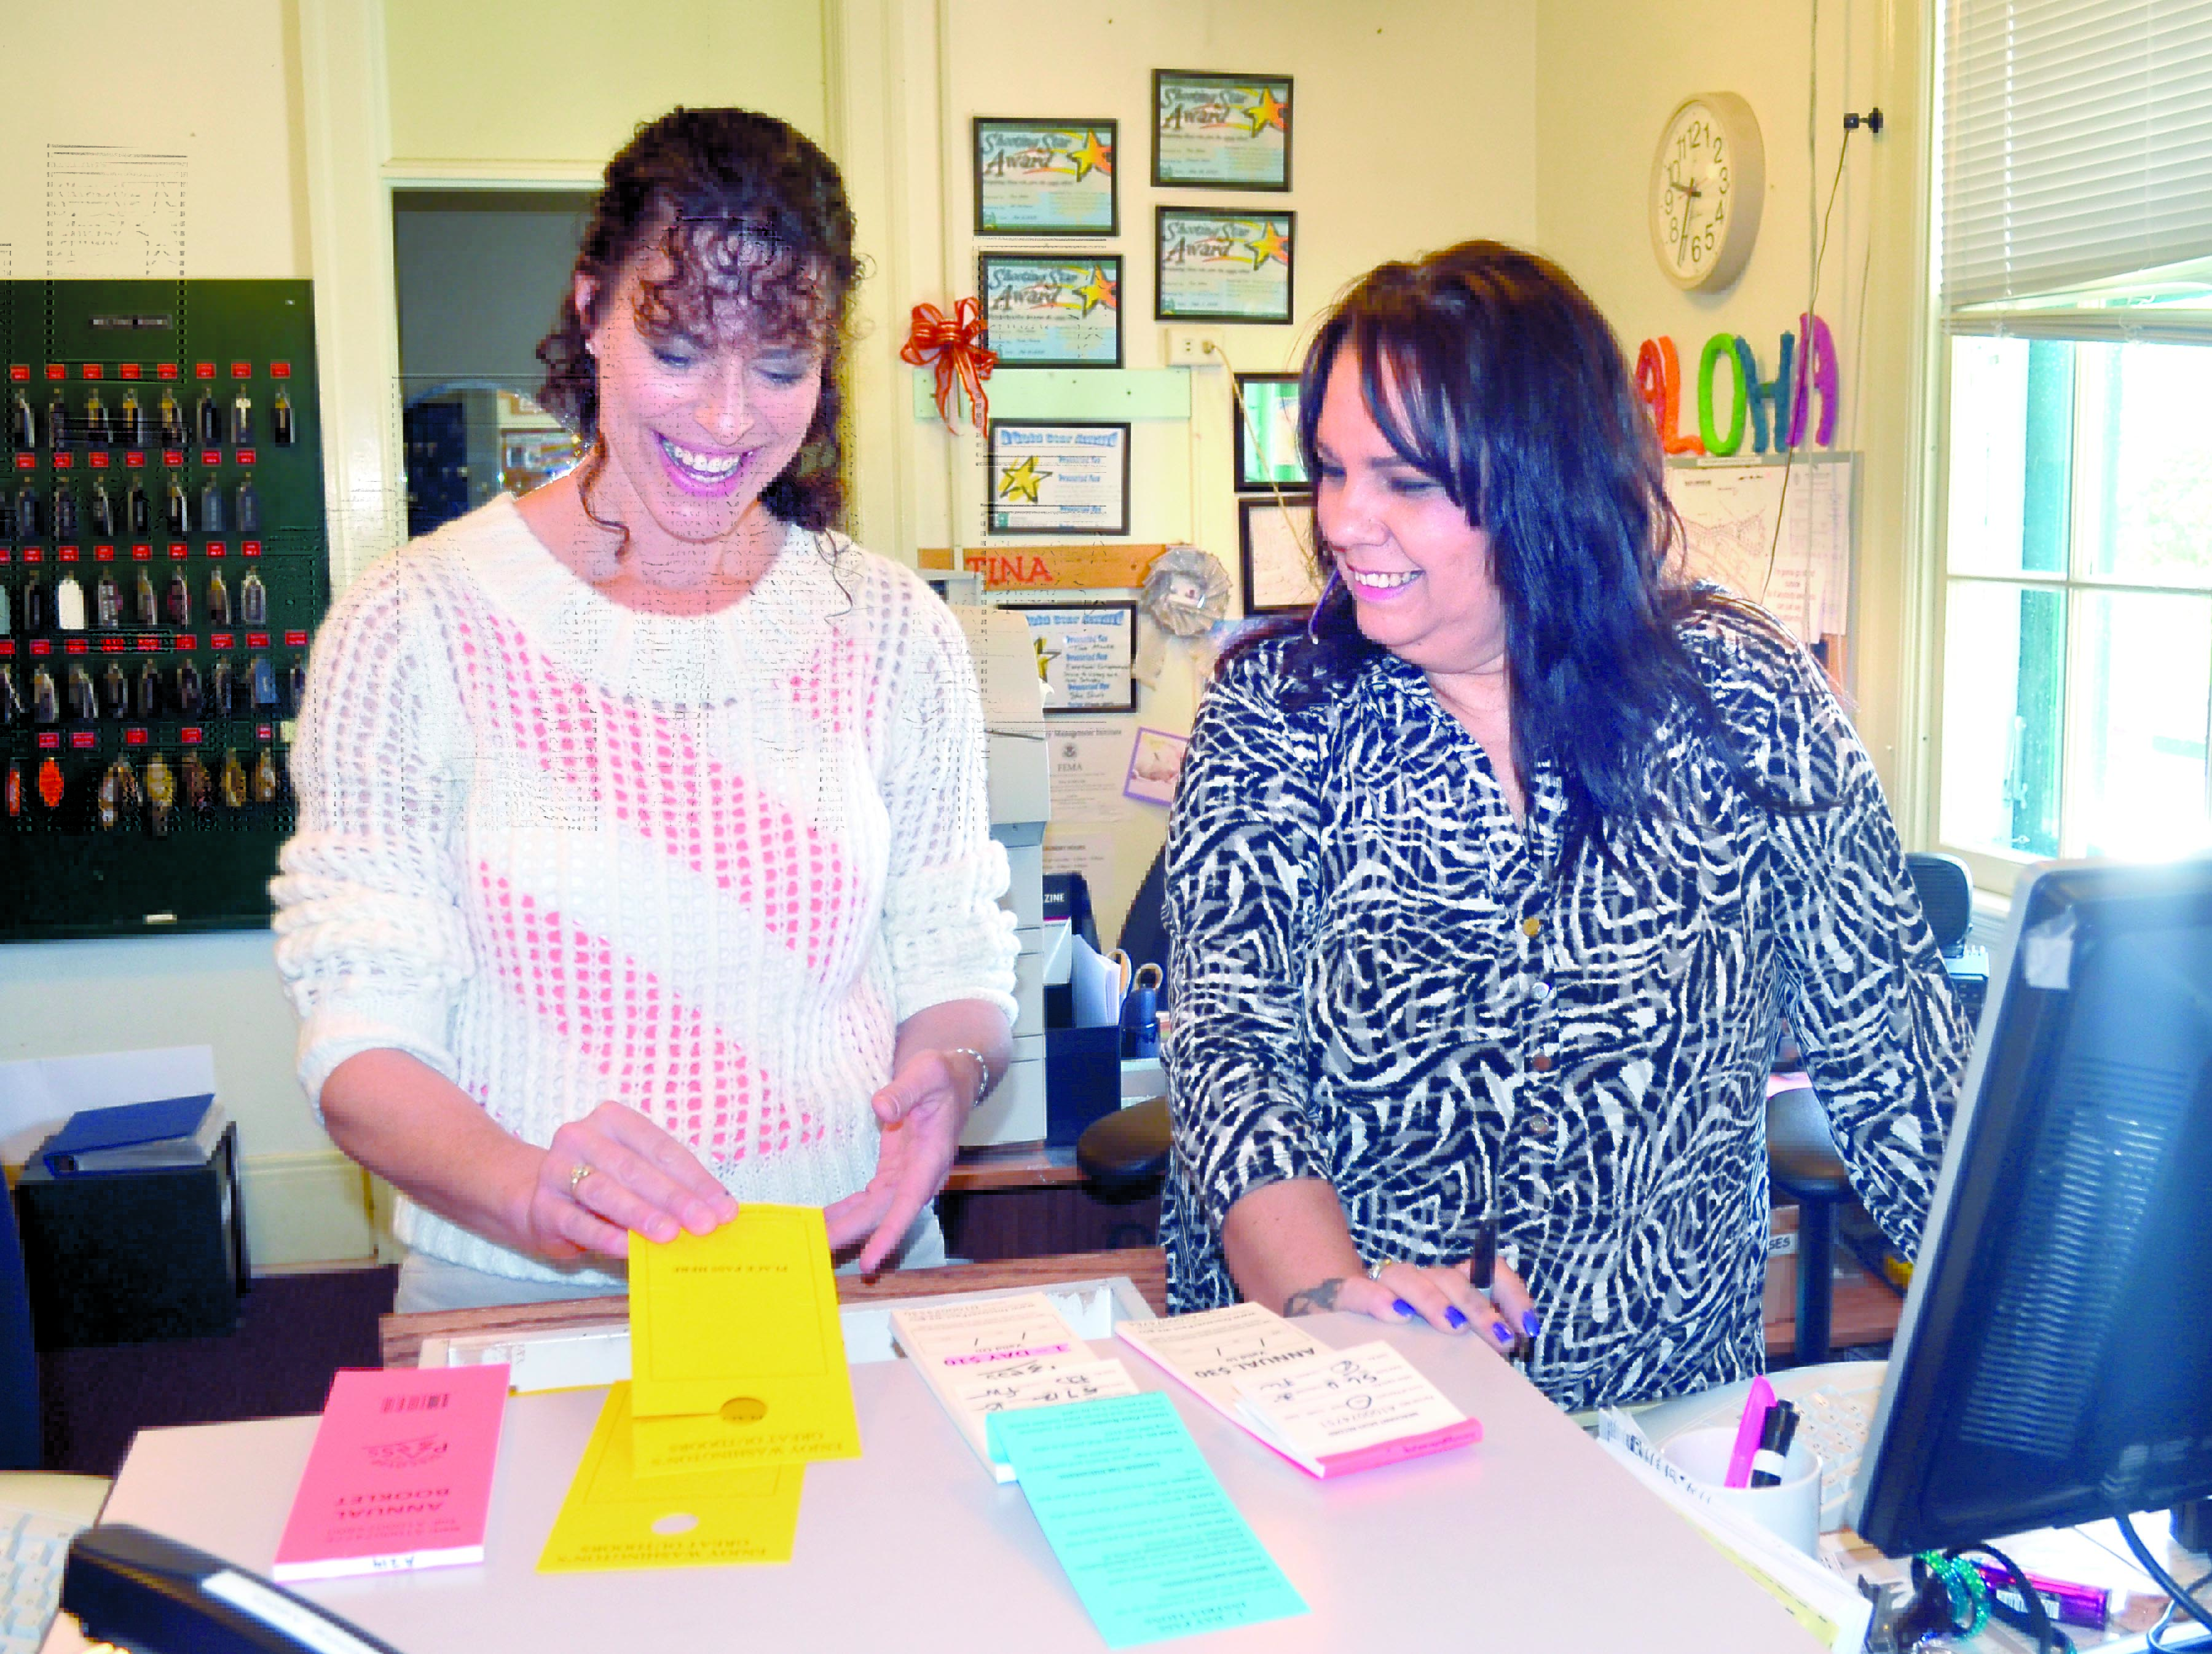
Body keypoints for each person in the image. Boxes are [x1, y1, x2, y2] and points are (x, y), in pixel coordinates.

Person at [1160, 240, 1970, 1411]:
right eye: (1333, 471)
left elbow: (1897, 1061)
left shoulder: (1742, 701)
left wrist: (2057, 1338)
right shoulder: (1279, 716)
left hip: (1661, 1407)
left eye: (1404, 481)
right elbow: (1232, 1054)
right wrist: (1329, 1297)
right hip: (1341, 1400)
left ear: (1544, 480)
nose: (1344, 520)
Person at [272, 108, 1018, 1313]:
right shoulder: (416, 623)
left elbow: (954, 949)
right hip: (524, 1292)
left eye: (777, 367)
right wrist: (526, 1186)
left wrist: (953, 1065)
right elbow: (358, 1034)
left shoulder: (891, 631)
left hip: (834, 1269)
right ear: (590, 308)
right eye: (677, 351)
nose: (726, 419)